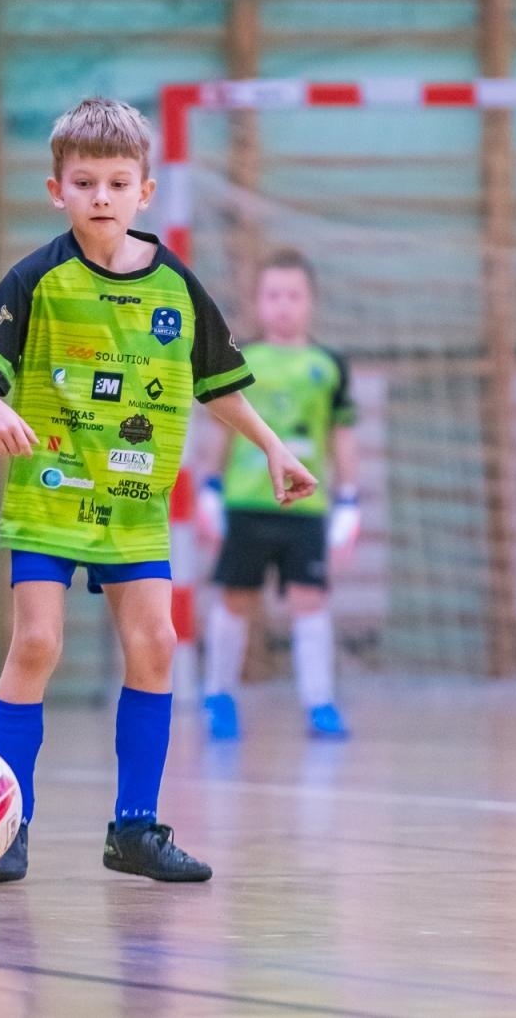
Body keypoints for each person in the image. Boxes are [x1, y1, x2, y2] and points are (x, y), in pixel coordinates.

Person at [0, 97, 315, 885]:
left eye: (118, 182)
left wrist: (274, 447)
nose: (102, 197)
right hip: (49, 494)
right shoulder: (38, 276)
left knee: (154, 645)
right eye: (86, 183)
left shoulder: (177, 284)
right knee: (37, 643)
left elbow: (218, 383)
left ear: (145, 192)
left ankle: (136, 830)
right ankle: (7, 824)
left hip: (135, 505)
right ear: (58, 191)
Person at [196, 248, 359, 740]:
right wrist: (208, 488)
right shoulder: (241, 358)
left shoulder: (329, 365)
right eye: (273, 295)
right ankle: (219, 695)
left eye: (293, 295)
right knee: (236, 598)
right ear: (258, 303)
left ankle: (320, 703)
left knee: (310, 600)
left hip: (306, 506)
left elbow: (342, 437)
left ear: (310, 302)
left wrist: (350, 501)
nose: (283, 305)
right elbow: (222, 429)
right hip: (247, 503)